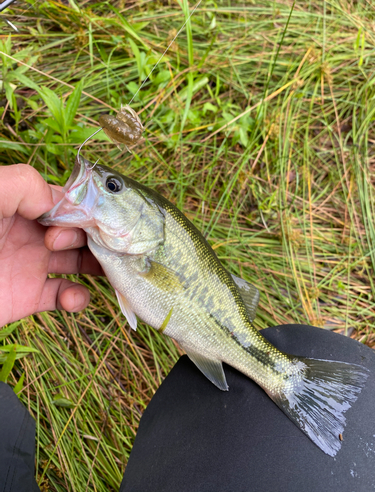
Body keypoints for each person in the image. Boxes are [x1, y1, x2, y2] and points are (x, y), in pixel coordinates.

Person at [0, 163, 374, 492]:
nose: (102, 186)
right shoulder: (125, 250)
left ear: (149, 223)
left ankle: (289, 379)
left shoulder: (138, 253)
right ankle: (290, 380)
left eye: (113, 187)